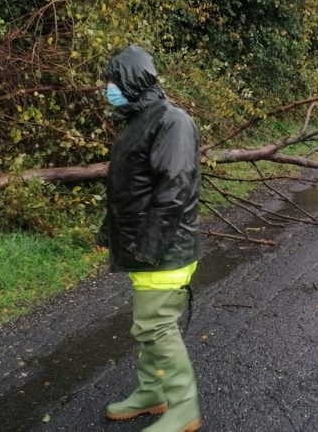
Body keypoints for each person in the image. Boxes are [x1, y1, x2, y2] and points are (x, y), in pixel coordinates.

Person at [97, 45, 204, 432]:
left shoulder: (171, 121)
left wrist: (151, 245)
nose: (107, 88)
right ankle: (151, 393)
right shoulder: (139, 121)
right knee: (150, 324)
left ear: (131, 81)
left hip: (165, 248)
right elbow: (128, 187)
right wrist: (108, 231)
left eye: (112, 80)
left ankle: (183, 408)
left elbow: (176, 186)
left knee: (155, 325)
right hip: (144, 246)